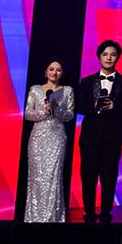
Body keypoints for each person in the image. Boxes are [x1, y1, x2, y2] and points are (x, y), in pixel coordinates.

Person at [77, 40, 122, 223]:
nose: (109, 58)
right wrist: (94, 106)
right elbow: (78, 106)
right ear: (99, 57)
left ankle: (105, 214)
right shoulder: (87, 82)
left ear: (118, 57)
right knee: (88, 177)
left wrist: (114, 107)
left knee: (109, 178)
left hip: (113, 137)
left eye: (113, 55)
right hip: (90, 138)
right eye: (105, 54)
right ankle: (89, 213)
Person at [20, 59, 73, 223]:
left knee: (54, 177)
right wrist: (44, 111)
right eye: (51, 69)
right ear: (46, 72)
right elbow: (28, 114)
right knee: (36, 178)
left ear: (62, 73)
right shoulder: (35, 89)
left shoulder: (67, 91)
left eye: (58, 70)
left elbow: (70, 115)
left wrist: (57, 110)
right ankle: (34, 219)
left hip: (57, 137)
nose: (54, 72)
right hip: (38, 138)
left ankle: (53, 219)